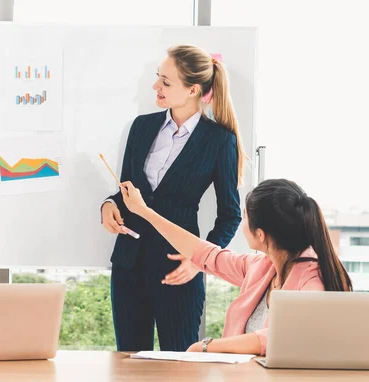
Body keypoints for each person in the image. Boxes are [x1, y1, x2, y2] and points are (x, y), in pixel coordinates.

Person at [101, 44, 245, 351]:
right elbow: (126, 188)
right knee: (129, 366)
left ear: (193, 89)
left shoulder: (219, 141)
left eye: (166, 82)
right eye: (158, 78)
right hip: (129, 264)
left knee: (182, 368)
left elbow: (230, 214)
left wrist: (201, 263)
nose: (156, 86)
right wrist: (110, 204)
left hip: (178, 268)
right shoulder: (142, 127)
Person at [120, 178, 353, 355]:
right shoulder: (262, 268)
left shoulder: (313, 282)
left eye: (245, 218)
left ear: (260, 235)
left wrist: (208, 346)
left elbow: (281, 337)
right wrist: (145, 213)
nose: (242, 225)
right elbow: (204, 252)